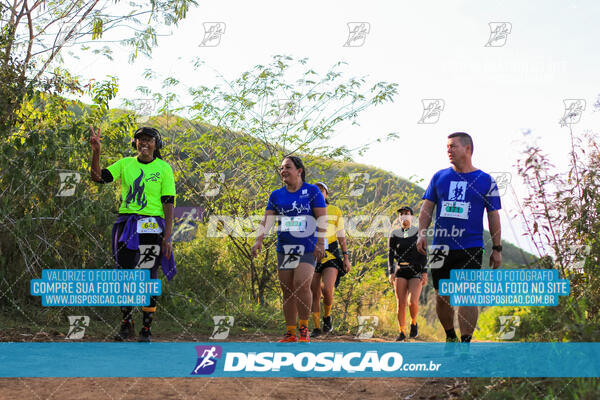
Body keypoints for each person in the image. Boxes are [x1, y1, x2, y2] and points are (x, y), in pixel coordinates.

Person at [90, 126, 176, 342]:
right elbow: (98, 177)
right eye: (140, 140)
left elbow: (169, 204)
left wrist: (167, 236)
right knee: (125, 275)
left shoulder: (164, 168)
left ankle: (146, 330)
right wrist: (96, 152)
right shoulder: (125, 164)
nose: (144, 143)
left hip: (150, 226)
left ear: (156, 145)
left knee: (148, 275)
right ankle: (127, 322)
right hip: (127, 224)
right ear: (135, 143)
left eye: (149, 140)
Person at [416, 132, 502, 343]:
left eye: (453, 146)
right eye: (447, 147)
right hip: (440, 247)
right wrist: (421, 233)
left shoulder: (485, 180)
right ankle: (450, 337)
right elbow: (427, 208)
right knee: (442, 296)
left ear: (468, 149)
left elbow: (493, 215)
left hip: (470, 246)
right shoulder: (439, 177)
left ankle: (465, 343)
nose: (449, 150)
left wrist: (497, 248)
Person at [252, 156, 326, 343]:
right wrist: (258, 240)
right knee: (287, 289)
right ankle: (290, 333)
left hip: (307, 247)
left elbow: (322, 218)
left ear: (299, 170)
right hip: (286, 247)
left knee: (302, 284)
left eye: (287, 167)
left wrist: (320, 242)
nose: (283, 170)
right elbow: (267, 220)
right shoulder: (276, 195)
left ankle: (304, 330)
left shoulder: (312, 191)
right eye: (281, 168)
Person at [310, 182, 351, 337]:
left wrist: (346, 257)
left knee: (327, 289)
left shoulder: (335, 210)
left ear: (326, 193)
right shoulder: (309, 210)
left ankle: (327, 317)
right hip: (313, 253)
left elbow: (341, 235)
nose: (319, 193)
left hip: (332, 253)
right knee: (315, 293)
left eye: (322, 190)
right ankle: (316, 327)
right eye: (316, 191)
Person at [388, 206, 427, 341]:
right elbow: (390, 254)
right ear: (399, 218)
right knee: (401, 303)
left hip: (415, 271)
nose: (404, 216)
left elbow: (423, 253)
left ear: (411, 216)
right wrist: (391, 272)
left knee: (412, 302)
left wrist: (425, 272)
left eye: (407, 214)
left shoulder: (418, 233)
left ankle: (414, 322)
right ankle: (402, 332)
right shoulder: (394, 234)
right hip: (400, 271)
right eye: (401, 214)